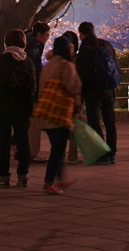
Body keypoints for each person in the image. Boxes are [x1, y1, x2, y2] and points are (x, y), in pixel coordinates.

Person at [33, 36, 83, 194]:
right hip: (60, 113)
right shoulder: (66, 66)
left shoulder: (48, 65)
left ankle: (61, 179)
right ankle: (49, 182)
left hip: (46, 112)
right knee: (58, 149)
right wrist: (78, 105)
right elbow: (74, 87)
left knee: (57, 147)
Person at [0, 28, 36, 188]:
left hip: (2, 108)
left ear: (6, 42)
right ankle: (23, 177)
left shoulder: (0, 60)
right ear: (24, 43)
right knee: (23, 143)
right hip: (22, 109)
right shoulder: (28, 62)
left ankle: (4, 177)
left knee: (3, 144)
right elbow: (32, 88)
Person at [75, 21, 119, 165]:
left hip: (92, 91)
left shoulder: (85, 48)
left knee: (95, 122)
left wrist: (80, 94)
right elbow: (115, 65)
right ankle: (112, 153)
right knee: (110, 122)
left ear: (81, 33)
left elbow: (82, 73)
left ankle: (102, 154)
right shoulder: (105, 44)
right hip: (109, 89)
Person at [25, 22, 51, 163]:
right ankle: (32, 153)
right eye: (46, 35)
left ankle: (25, 150)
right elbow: (32, 72)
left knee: (30, 122)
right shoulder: (33, 50)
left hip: (27, 92)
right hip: (33, 92)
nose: (47, 38)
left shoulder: (28, 44)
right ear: (38, 35)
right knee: (34, 123)